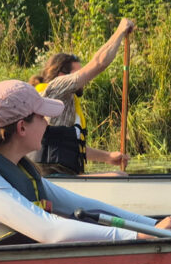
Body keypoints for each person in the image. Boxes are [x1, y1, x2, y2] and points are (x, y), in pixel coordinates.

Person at [0, 80, 171, 248]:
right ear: (21, 127)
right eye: (42, 116)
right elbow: (50, 231)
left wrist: (152, 225)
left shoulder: (18, 170)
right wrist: (138, 237)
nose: (47, 123)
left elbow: (84, 206)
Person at [31, 18, 136, 175]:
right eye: (77, 73)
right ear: (61, 75)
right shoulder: (57, 88)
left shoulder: (68, 100)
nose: (83, 79)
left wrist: (108, 157)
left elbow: (73, 148)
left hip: (65, 174)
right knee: (118, 176)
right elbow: (99, 63)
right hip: (49, 175)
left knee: (117, 175)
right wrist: (120, 31)